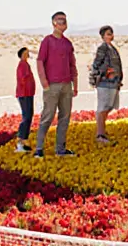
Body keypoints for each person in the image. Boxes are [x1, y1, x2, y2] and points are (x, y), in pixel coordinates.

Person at [35, 11, 79, 158]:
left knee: (65, 117)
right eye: (60, 20)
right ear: (53, 23)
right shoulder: (47, 41)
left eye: (65, 21)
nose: (63, 23)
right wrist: (44, 83)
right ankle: (39, 148)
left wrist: (75, 84)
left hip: (67, 85)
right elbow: (40, 61)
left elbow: (72, 64)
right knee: (47, 116)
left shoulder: (67, 44)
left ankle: (60, 149)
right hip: (52, 85)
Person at [90, 25, 124, 145]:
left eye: (112, 33)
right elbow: (96, 64)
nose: (111, 35)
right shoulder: (103, 49)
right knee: (103, 107)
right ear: (103, 36)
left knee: (108, 107)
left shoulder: (112, 48)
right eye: (108, 34)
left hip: (113, 83)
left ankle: (102, 131)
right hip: (105, 83)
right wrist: (103, 74)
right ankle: (100, 134)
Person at [15, 47, 35, 153]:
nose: (28, 54)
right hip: (25, 94)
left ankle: (24, 139)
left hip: (28, 93)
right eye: (26, 53)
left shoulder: (25, 64)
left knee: (28, 116)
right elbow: (23, 78)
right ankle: (21, 140)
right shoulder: (23, 65)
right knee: (26, 116)